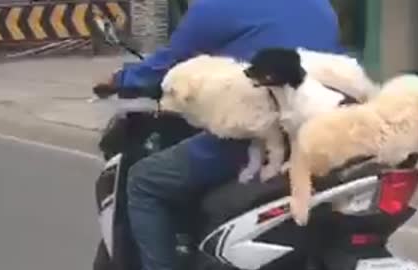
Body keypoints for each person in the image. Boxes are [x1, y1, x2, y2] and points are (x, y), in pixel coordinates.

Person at [96, 0, 345, 269]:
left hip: (255, 133)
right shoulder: (320, 6)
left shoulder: (215, 7)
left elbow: (171, 62)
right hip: (319, 128)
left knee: (144, 181)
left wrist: (121, 80)